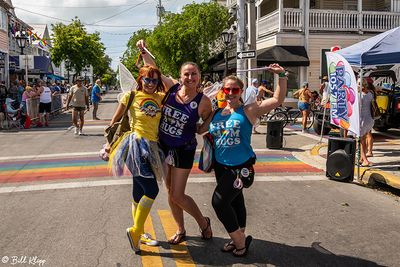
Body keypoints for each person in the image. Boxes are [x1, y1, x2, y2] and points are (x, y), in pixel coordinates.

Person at [198, 64, 287, 257]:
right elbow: (199, 129)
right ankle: (239, 235)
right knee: (236, 201)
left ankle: (240, 243)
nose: (230, 93)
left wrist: (281, 75)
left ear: (241, 91)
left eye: (234, 89)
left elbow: (277, 99)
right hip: (221, 166)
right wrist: (203, 99)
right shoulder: (216, 113)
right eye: (227, 89)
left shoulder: (249, 110)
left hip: (240, 168)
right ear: (222, 91)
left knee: (219, 202)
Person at [137, 40, 213, 245]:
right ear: (180, 76)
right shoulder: (172, 88)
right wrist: (143, 51)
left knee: (178, 195)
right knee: (170, 193)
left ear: (199, 77)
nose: (190, 77)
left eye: (194, 74)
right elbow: (154, 69)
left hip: (184, 149)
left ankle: (203, 222)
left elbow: (209, 119)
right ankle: (181, 229)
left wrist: (200, 128)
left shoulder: (203, 100)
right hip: (163, 147)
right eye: (186, 74)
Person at [108, 65, 166, 253]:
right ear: (140, 79)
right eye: (147, 79)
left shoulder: (160, 98)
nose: (150, 83)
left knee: (138, 190)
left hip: (153, 146)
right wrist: (109, 144)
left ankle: (139, 234)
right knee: (151, 189)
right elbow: (115, 122)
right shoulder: (130, 96)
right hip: (134, 146)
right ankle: (136, 230)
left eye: (154, 80)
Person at [359, 78, 375, 167]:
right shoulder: (370, 94)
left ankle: (365, 160)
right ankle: (362, 158)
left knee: (361, 140)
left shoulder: (360, 95)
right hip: (370, 119)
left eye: (358, 84)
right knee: (364, 138)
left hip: (362, 119)